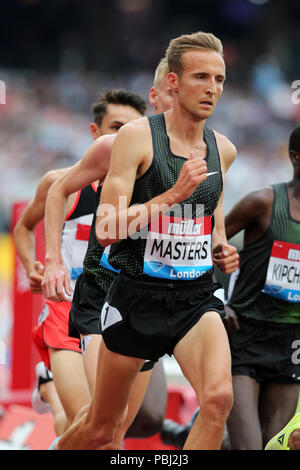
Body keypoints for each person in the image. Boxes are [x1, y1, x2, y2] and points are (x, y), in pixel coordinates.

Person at [49, 30, 239, 451]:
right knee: (103, 429)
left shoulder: (223, 150)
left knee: (218, 399)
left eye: (220, 79)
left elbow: (214, 227)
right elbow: (107, 228)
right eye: (201, 77)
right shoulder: (137, 137)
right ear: (172, 82)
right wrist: (171, 196)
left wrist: (223, 250)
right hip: (136, 296)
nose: (212, 89)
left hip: (194, 297)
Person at [42, 58, 173, 448]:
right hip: (84, 298)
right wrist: (47, 261)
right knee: (100, 425)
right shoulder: (90, 164)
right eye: (117, 127)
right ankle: (48, 385)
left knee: (125, 423)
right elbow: (48, 199)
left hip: (145, 296)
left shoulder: (182, 158)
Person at [13, 89, 146, 436]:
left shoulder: (144, 190)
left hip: (120, 313)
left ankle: (49, 390)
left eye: (132, 130)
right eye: (115, 128)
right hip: (67, 312)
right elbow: (23, 228)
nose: (122, 138)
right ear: (94, 132)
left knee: (112, 430)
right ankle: (54, 391)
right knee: (86, 422)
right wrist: (34, 265)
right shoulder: (62, 184)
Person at [224, 126, 300, 450]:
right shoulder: (263, 203)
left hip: (292, 342)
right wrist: (216, 301)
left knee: (274, 448)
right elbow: (208, 244)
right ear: (295, 157)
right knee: (249, 447)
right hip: (245, 332)